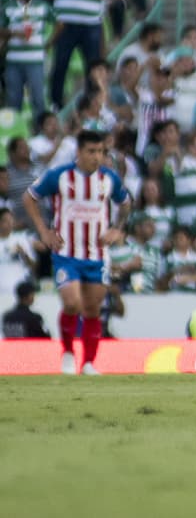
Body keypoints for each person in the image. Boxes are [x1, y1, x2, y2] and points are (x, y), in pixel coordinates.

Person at [23, 130, 132, 375]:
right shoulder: (59, 176)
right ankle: (68, 352)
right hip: (66, 253)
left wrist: (117, 228)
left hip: (97, 255)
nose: (97, 157)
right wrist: (43, 231)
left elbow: (126, 203)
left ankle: (89, 363)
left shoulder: (109, 178)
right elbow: (29, 198)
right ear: (79, 152)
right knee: (72, 303)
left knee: (93, 309)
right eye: (91, 152)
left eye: (100, 152)